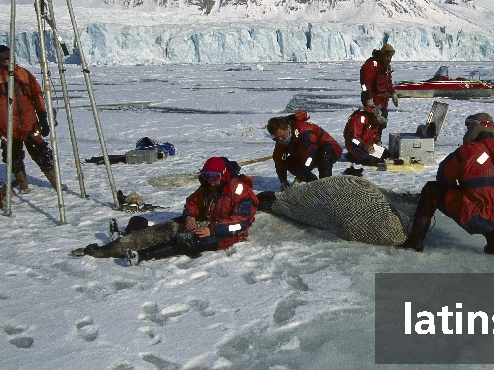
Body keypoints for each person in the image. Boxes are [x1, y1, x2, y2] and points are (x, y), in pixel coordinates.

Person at [402, 112, 494, 254]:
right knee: (492, 196)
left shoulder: (468, 151)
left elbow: (443, 177)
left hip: (476, 217)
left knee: (431, 190)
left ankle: (415, 243)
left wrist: (461, 181)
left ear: (473, 130)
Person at [123, 157, 259, 265]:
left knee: (186, 241)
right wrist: (189, 216)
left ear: (223, 175)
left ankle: (141, 256)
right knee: (168, 228)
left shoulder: (240, 190)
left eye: (215, 177)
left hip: (229, 233)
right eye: (207, 176)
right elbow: (192, 202)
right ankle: (128, 237)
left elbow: (241, 222)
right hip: (205, 223)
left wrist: (212, 230)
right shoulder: (207, 187)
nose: (211, 181)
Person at [0, 44, 59, 193]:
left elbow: (37, 95)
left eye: (7, 55)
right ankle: (24, 187)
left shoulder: (23, 74)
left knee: (42, 153)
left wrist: (42, 117)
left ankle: (55, 183)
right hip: (6, 127)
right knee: (13, 158)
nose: (5, 59)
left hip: (29, 124)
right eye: (0, 56)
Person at [266, 110, 342, 189]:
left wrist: (299, 178)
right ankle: (313, 183)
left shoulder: (303, 130)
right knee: (288, 162)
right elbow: (278, 160)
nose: (280, 139)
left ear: (286, 128)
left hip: (329, 150)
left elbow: (309, 156)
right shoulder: (281, 140)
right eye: (277, 137)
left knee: (325, 154)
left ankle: (326, 186)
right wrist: (283, 180)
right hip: (305, 155)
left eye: (282, 135)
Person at [359, 43, 398, 140]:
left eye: (390, 56)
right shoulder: (372, 65)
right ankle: (369, 143)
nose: (389, 58)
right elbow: (364, 84)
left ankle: (377, 141)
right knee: (373, 123)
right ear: (382, 54)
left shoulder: (386, 67)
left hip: (383, 101)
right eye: (387, 56)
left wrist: (393, 93)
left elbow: (389, 82)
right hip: (373, 101)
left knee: (381, 123)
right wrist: (368, 98)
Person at [342, 106, 390, 173]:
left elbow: (375, 134)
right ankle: (352, 156)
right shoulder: (359, 118)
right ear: (375, 117)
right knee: (372, 161)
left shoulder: (374, 122)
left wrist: (377, 141)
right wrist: (366, 148)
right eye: (378, 121)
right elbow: (353, 138)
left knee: (387, 155)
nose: (378, 124)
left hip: (368, 145)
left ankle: (358, 156)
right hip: (355, 145)